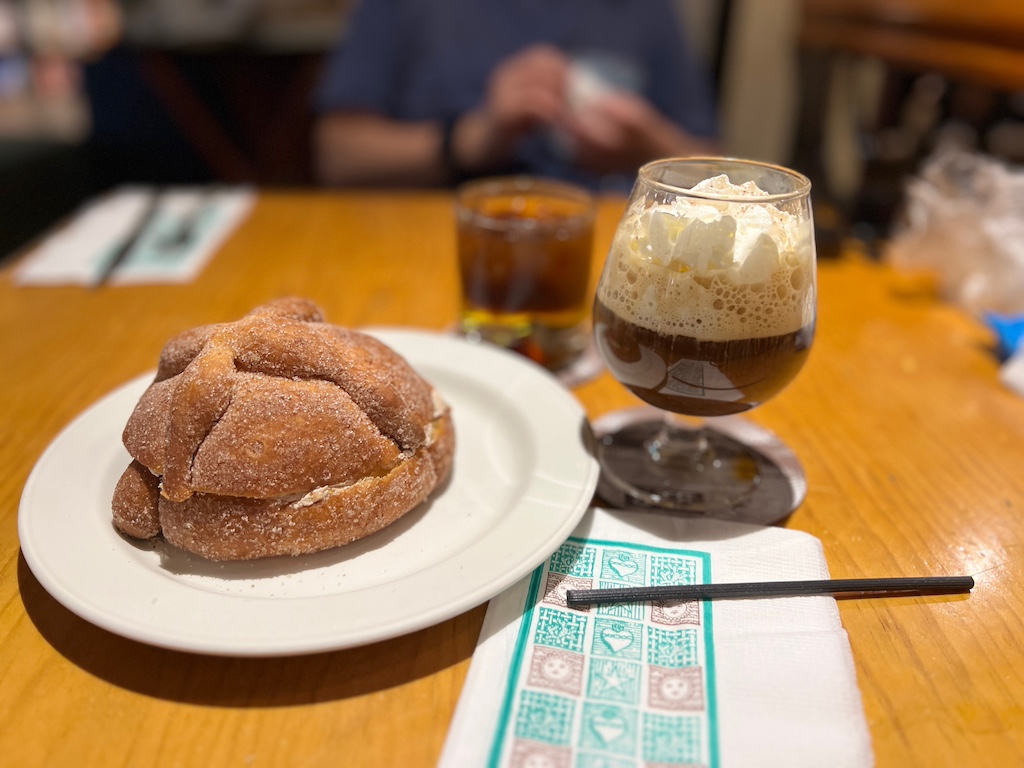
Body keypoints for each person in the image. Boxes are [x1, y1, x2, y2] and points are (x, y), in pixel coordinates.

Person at [312, 0, 719, 191]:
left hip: (604, 256)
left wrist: (646, 149)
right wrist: (474, 139)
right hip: (434, 241)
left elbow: (714, 172)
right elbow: (338, 155)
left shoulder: (645, 11)